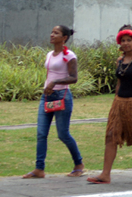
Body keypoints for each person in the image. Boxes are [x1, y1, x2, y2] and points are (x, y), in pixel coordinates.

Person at [87, 25, 132, 184]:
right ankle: (105, 174)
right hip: (120, 103)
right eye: (123, 40)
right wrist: (115, 102)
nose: (126, 43)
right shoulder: (119, 60)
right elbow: (119, 82)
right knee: (111, 135)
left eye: (129, 40)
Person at [23, 25, 86, 179]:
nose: (52, 35)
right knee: (41, 133)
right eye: (51, 32)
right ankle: (39, 168)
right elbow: (50, 73)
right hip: (47, 96)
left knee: (63, 134)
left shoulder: (70, 55)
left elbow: (74, 78)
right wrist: (48, 86)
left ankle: (78, 164)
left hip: (62, 96)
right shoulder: (49, 54)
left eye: (56, 33)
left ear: (64, 37)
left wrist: (55, 83)